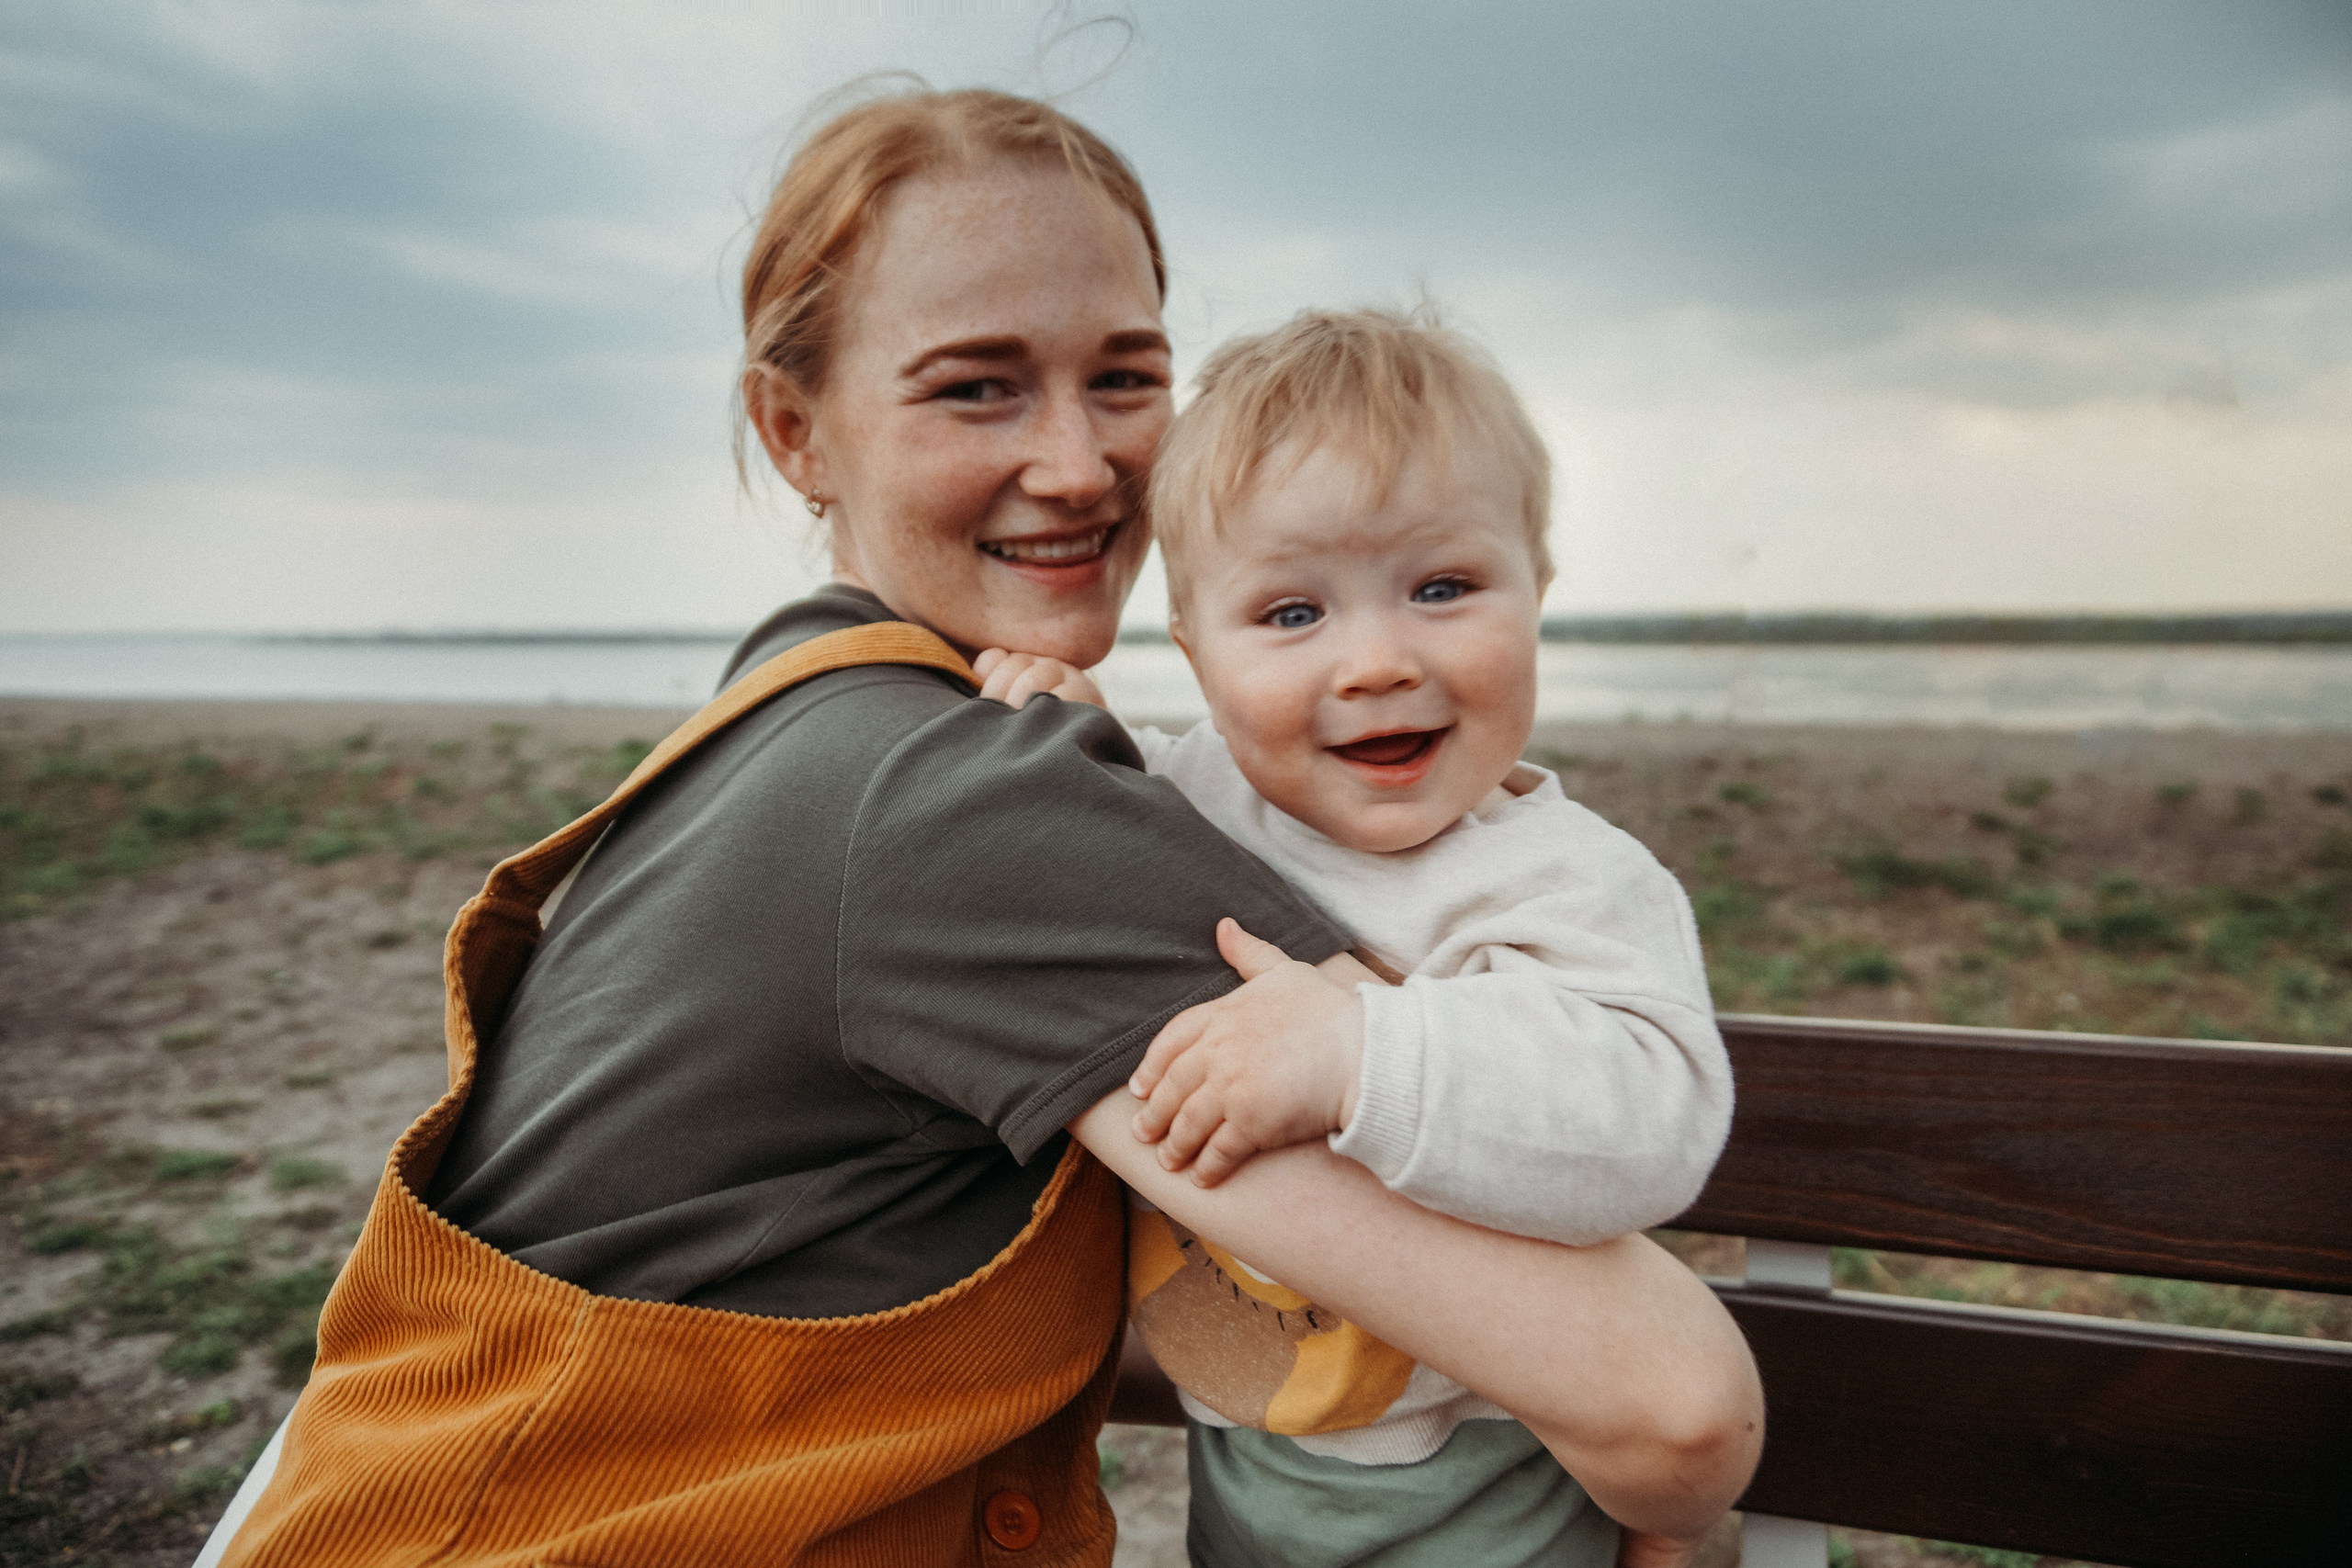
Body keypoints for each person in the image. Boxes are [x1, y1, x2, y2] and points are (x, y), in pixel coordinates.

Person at [199, 88, 1760, 1568]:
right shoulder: (967, 810)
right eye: (977, 387)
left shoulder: (795, 691)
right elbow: (1675, 1405)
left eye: (1128, 378)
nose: (1078, 466)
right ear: (795, 432)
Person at [972, 308, 1731, 1564]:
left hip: (1492, 1478)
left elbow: (1656, 1114)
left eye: (1442, 589)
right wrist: (1072, 733)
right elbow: (1108, 825)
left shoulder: (1566, 883)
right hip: (1250, 1457)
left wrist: (1360, 1048)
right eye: (1289, 616)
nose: (1376, 661)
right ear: (1198, 654)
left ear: (1536, 591)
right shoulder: (1197, 803)